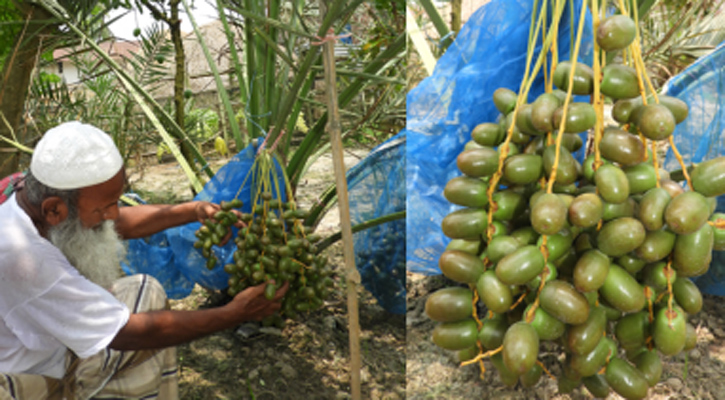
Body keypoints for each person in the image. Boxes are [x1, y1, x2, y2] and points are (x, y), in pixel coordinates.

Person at [0, 121, 288, 399]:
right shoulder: (25, 259)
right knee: (147, 334)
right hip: (28, 379)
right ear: (53, 209)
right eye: (104, 209)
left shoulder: (25, 193)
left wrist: (193, 210)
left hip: (43, 343)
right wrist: (234, 313)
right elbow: (124, 335)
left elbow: (119, 222)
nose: (113, 214)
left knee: (144, 291)